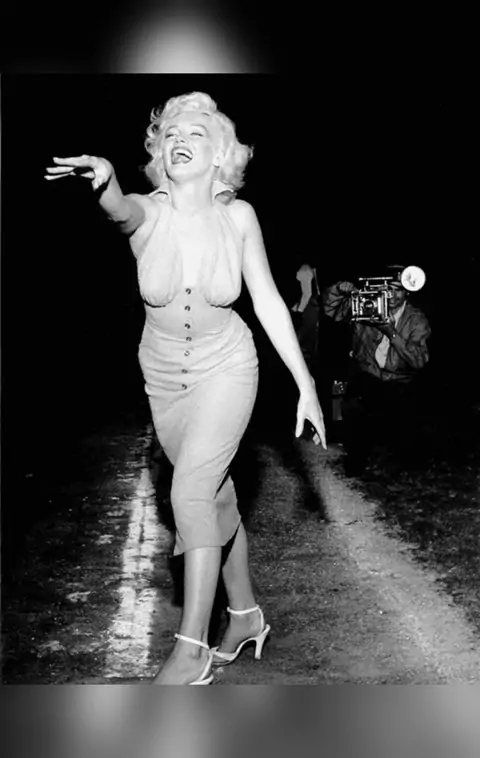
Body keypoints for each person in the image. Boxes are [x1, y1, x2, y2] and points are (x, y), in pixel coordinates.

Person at [45, 91, 326, 685]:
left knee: (191, 492)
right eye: (170, 132)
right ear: (159, 151)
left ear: (220, 153)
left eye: (196, 133)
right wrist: (106, 184)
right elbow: (121, 212)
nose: (180, 139)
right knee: (214, 497)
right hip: (165, 375)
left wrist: (305, 383)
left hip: (227, 366)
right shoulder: (150, 212)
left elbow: (268, 300)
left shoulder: (239, 217)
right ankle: (245, 616)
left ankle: (191, 650)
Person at [323, 264, 431, 475]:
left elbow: (419, 361)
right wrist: (339, 289)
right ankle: (353, 460)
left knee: (404, 437)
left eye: (398, 290)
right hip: (368, 376)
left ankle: (400, 462)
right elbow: (331, 311)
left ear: (407, 292)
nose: (392, 295)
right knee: (351, 404)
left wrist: (392, 333)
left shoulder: (417, 320)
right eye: (388, 288)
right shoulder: (366, 305)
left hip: (399, 381)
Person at [291, 264, 321, 374]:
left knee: (303, 343)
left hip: (308, 311)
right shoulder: (308, 269)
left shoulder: (304, 269)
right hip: (310, 309)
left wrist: (299, 311)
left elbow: (307, 294)